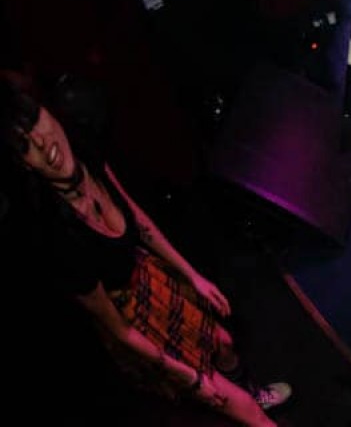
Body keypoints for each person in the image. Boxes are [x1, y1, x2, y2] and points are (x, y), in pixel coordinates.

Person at [0, 75, 290, 423]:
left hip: (149, 274)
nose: (40, 141)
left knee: (224, 343)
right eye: (24, 146)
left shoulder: (84, 151)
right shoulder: (56, 237)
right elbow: (119, 331)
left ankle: (253, 394)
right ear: (24, 164)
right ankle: (249, 407)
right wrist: (190, 377)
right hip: (133, 320)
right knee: (238, 407)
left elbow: (139, 223)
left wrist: (193, 277)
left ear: (48, 110)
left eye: (35, 120)